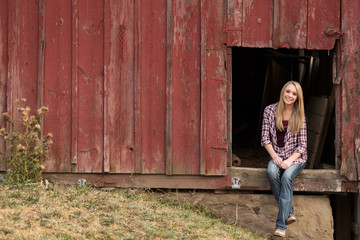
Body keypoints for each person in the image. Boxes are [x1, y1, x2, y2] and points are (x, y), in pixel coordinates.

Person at [261, 81, 307, 238]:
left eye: (294, 94)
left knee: (287, 176)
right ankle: (290, 212)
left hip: (295, 157)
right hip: (277, 154)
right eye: (288, 91)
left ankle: (281, 226)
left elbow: (302, 147)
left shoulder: (299, 115)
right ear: (283, 92)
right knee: (271, 172)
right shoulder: (269, 111)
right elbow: (265, 139)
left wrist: (288, 162)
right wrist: (275, 156)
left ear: (297, 98)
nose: (290, 95)